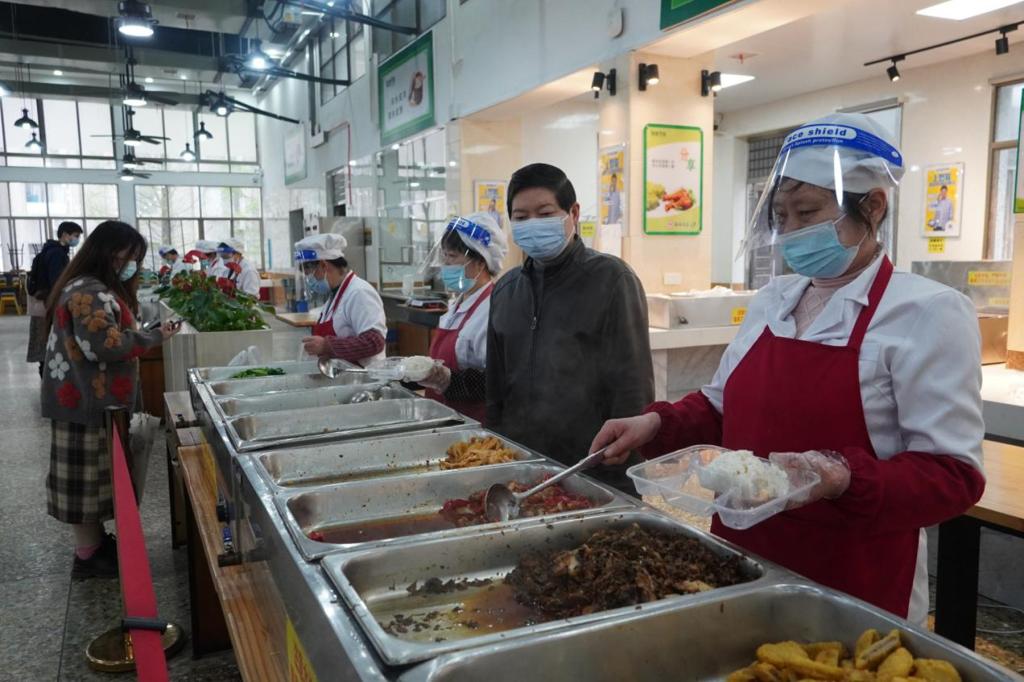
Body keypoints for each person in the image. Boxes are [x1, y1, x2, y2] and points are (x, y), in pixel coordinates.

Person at [590, 113, 985, 623]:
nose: (792, 231)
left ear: (873, 205)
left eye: (808, 212)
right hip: (743, 560)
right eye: (781, 215)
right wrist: (656, 423)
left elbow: (953, 477)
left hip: (853, 577)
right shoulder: (774, 299)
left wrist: (842, 477)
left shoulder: (927, 312)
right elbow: (720, 407)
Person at [487, 163, 653, 491]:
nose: (532, 224)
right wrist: (496, 456)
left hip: (593, 469)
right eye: (521, 217)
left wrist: (623, 464)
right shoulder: (505, 290)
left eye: (545, 213)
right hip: (522, 469)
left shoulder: (612, 280)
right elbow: (496, 389)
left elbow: (633, 387)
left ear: (573, 213)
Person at [41, 221, 180, 578]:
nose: (130, 266)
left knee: (94, 481)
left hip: (86, 398)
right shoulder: (89, 291)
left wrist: (145, 334)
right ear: (105, 254)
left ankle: (95, 545)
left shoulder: (88, 286)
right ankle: (88, 556)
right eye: (125, 258)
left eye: (135, 259)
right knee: (86, 485)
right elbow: (104, 345)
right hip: (86, 402)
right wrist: (152, 339)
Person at [418, 212, 508, 422]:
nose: (445, 264)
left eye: (452, 256)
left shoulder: (493, 308)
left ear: (481, 262)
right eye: (444, 256)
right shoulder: (458, 303)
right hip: (443, 417)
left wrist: (448, 380)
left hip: (473, 425)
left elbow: (498, 380)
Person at [296, 233, 387, 366]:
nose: (308, 278)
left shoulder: (359, 292)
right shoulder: (335, 295)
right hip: (343, 375)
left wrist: (326, 346)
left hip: (364, 375)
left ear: (323, 265)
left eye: (309, 272)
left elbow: (374, 342)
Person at [26, 221, 83, 374]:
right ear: (64, 235)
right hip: (50, 304)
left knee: (43, 340)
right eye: (75, 236)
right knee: (51, 339)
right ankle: (47, 373)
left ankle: (44, 370)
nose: (77, 240)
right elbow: (57, 282)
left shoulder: (49, 251)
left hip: (42, 303)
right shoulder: (57, 254)